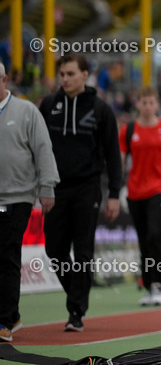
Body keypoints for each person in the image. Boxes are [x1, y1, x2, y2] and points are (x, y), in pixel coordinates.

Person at [39, 53, 121, 333]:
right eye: (62, 74)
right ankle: (77, 291)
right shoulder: (48, 105)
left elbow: (113, 155)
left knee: (83, 252)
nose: (65, 79)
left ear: (85, 75)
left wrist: (114, 194)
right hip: (55, 188)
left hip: (88, 188)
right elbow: (38, 147)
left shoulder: (100, 109)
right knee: (55, 250)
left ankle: (76, 310)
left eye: (71, 74)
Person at [0, 62, 59, 343]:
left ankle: (3, 322)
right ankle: (11, 315)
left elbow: (43, 148)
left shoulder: (26, 111)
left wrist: (47, 187)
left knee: (7, 255)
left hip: (18, 196)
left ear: (5, 80)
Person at [119, 87, 161, 307]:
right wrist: (114, 191)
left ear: (157, 105)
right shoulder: (128, 130)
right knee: (143, 239)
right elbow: (119, 161)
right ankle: (148, 285)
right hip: (135, 191)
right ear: (137, 104)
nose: (147, 107)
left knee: (155, 235)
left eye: (151, 102)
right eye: (144, 102)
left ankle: (159, 283)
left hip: (159, 189)